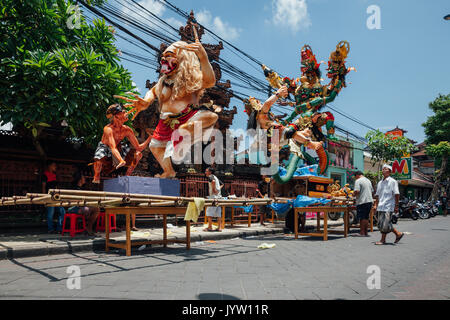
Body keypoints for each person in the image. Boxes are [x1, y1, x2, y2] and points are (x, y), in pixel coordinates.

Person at [115, 39, 219, 178]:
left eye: (169, 55)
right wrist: (145, 102)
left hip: (185, 117)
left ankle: (184, 134)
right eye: (163, 57)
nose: (164, 60)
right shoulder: (163, 80)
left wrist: (203, 58)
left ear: (182, 58)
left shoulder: (188, 78)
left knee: (211, 117)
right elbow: (152, 91)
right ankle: (169, 170)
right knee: (155, 147)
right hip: (165, 121)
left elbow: (210, 81)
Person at [92, 103, 152, 183]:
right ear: (116, 116)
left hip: (118, 148)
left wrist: (150, 138)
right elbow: (112, 147)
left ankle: (126, 176)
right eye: (123, 112)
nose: (126, 113)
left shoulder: (127, 130)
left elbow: (139, 148)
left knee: (138, 154)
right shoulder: (108, 129)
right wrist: (121, 160)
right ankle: (96, 176)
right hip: (106, 148)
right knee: (98, 159)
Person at [373, 164, 404, 245]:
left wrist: (396, 205)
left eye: (385, 169)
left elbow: (397, 194)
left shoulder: (393, 181)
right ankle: (398, 234)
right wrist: (375, 204)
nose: (383, 170)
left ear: (389, 171)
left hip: (388, 205)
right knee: (381, 224)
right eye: (383, 169)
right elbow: (377, 195)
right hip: (381, 206)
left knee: (385, 224)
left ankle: (383, 240)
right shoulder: (380, 182)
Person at [68, 171, 99, 236]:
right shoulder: (73, 188)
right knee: (87, 209)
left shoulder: (82, 188)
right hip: (73, 208)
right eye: (83, 178)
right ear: (80, 180)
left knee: (96, 209)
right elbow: (72, 201)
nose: (84, 179)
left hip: (81, 207)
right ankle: (85, 227)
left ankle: (88, 227)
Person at [42, 162, 65, 233]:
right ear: (49, 166)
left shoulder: (55, 175)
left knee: (62, 211)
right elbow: (43, 187)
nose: (55, 167)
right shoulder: (45, 174)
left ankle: (59, 228)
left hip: (56, 197)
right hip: (49, 197)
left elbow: (56, 187)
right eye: (54, 165)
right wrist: (44, 198)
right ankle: (50, 229)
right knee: (50, 213)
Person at [353, 171, 374, 236]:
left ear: (357, 175)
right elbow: (372, 191)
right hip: (369, 201)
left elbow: (357, 191)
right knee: (366, 217)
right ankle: (366, 232)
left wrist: (353, 194)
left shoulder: (358, 181)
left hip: (362, 201)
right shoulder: (368, 180)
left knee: (362, 217)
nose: (355, 178)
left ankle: (362, 232)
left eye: (355, 177)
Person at [204, 167, 223, 232]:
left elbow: (213, 181)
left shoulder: (210, 176)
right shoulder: (215, 177)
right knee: (218, 213)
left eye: (206, 171)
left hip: (213, 197)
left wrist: (214, 189)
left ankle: (210, 227)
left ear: (210, 172)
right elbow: (222, 184)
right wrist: (218, 190)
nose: (205, 172)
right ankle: (219, 227)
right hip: (218, 197)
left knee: (209, 212)